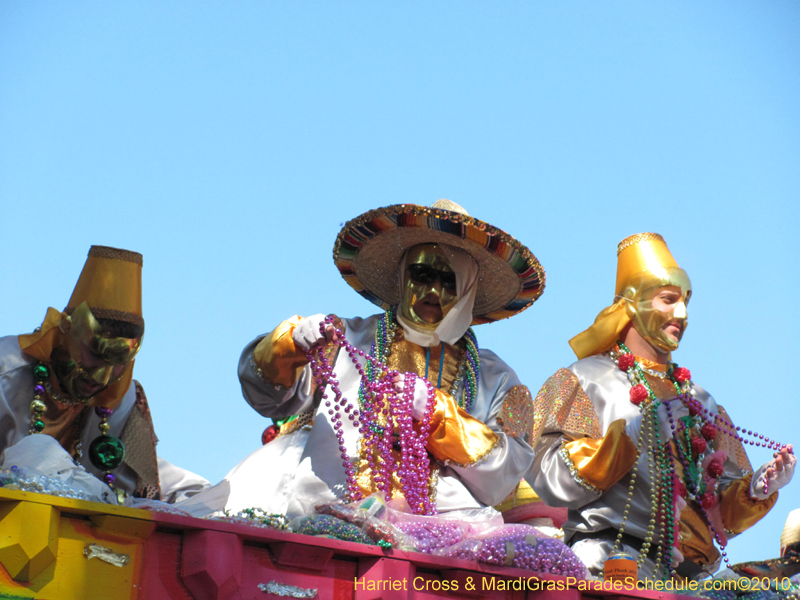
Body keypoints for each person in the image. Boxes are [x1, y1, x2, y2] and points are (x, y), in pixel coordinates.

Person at [224, 200, 545, 517]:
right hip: (322, 508)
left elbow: (509, 471)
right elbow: (266, 398)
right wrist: (288, 346)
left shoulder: (497, 378)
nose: (433, 289)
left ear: (468, 290)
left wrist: (438, 415)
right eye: (422, 274)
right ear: (403, 276)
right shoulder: (342, 339)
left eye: (449, 281)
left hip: (442, 529)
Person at [527, 233, 795, 580]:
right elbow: (546, 476)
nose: (681, 314)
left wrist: (758, 488)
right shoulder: (583, 379)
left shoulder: (701, 400)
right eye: (668, 300)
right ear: (632, 304)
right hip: (611, 565)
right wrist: (631, 438)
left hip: (691, 578)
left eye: (686, 301)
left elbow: (719, 519)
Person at [0, 245, 208, 503]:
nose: (102, 377)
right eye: (96, 354)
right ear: (67, 332)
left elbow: (142, 483)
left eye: (119, 361)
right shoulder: (7, 369)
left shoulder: (122, 400)